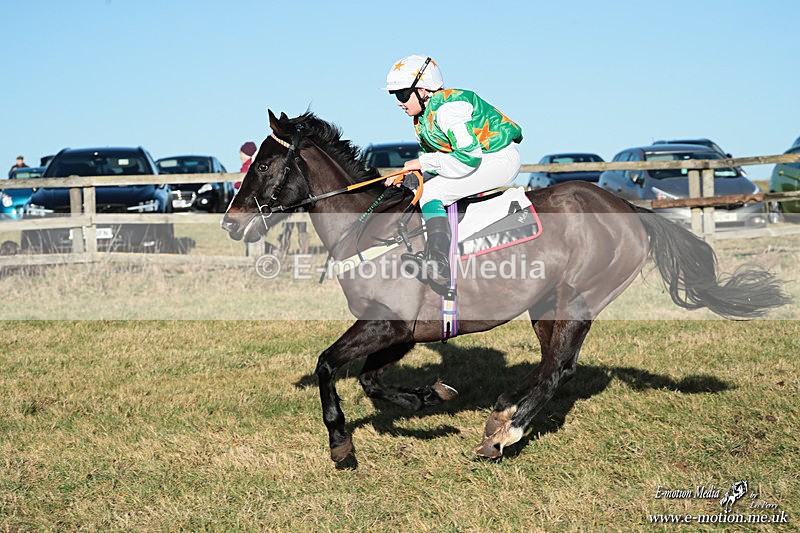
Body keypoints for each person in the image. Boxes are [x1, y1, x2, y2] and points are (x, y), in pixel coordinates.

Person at [382, 55, 523, 293]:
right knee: (420, 189)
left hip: (498, 158)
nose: (399, 102)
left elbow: (468, 157)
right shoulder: (422, 118)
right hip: (481, 159)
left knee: (433, 192)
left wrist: (420, 162)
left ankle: (440, 263)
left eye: (402, 94)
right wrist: (407, 177)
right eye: (395, 95)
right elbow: (439, 164)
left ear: (423, 90)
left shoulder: (448, 109)